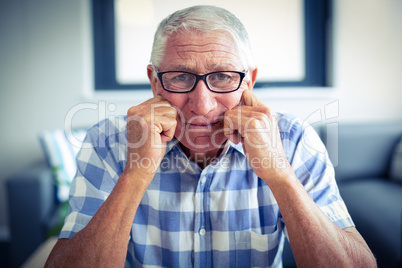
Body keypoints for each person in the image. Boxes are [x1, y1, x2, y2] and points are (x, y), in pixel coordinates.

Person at [45, 5, 376, 268]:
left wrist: (280, 174)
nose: (201, 104)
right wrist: (136, 174)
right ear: (154, 81)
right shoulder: (107, 142)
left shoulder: (294, 139)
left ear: (249, 81)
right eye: (179, 77)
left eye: (222, 76)